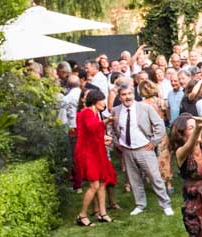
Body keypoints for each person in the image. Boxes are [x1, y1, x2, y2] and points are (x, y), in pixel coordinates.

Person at [110, 82, 171, 216]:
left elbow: (159, 126)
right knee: (134, 179)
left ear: (134, 95)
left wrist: (153, 142)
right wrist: (117, 142)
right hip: (127, 150)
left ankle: (165, 205)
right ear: (120, 97)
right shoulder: (115, 110)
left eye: (129, 94)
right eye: (124, 95)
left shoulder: (145, 108)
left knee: (155, 178)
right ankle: (140, 204)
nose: (127, 97)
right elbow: (111, 129)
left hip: (145, 149)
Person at [72, 87, 116, 226]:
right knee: (94, 185)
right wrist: (107, 122)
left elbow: (92, 134)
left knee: (102, 182)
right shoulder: (87, 113)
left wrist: (104, 138)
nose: (104, 103)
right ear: (95, 101)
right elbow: (92, 127)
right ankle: (82, 215)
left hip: (97, 151)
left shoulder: (96, 113)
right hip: (88, 153)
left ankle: (102, 214)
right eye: (102, 100)